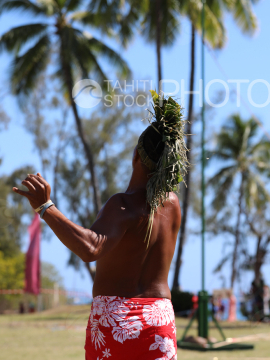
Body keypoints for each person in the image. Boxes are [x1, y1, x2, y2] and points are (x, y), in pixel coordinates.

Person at [13, 91, 187, 360]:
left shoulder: (123, 205)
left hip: (116, 319)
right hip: (160, 319)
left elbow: (91, 248)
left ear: (136, 157)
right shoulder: (173, 205)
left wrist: (46, 207)